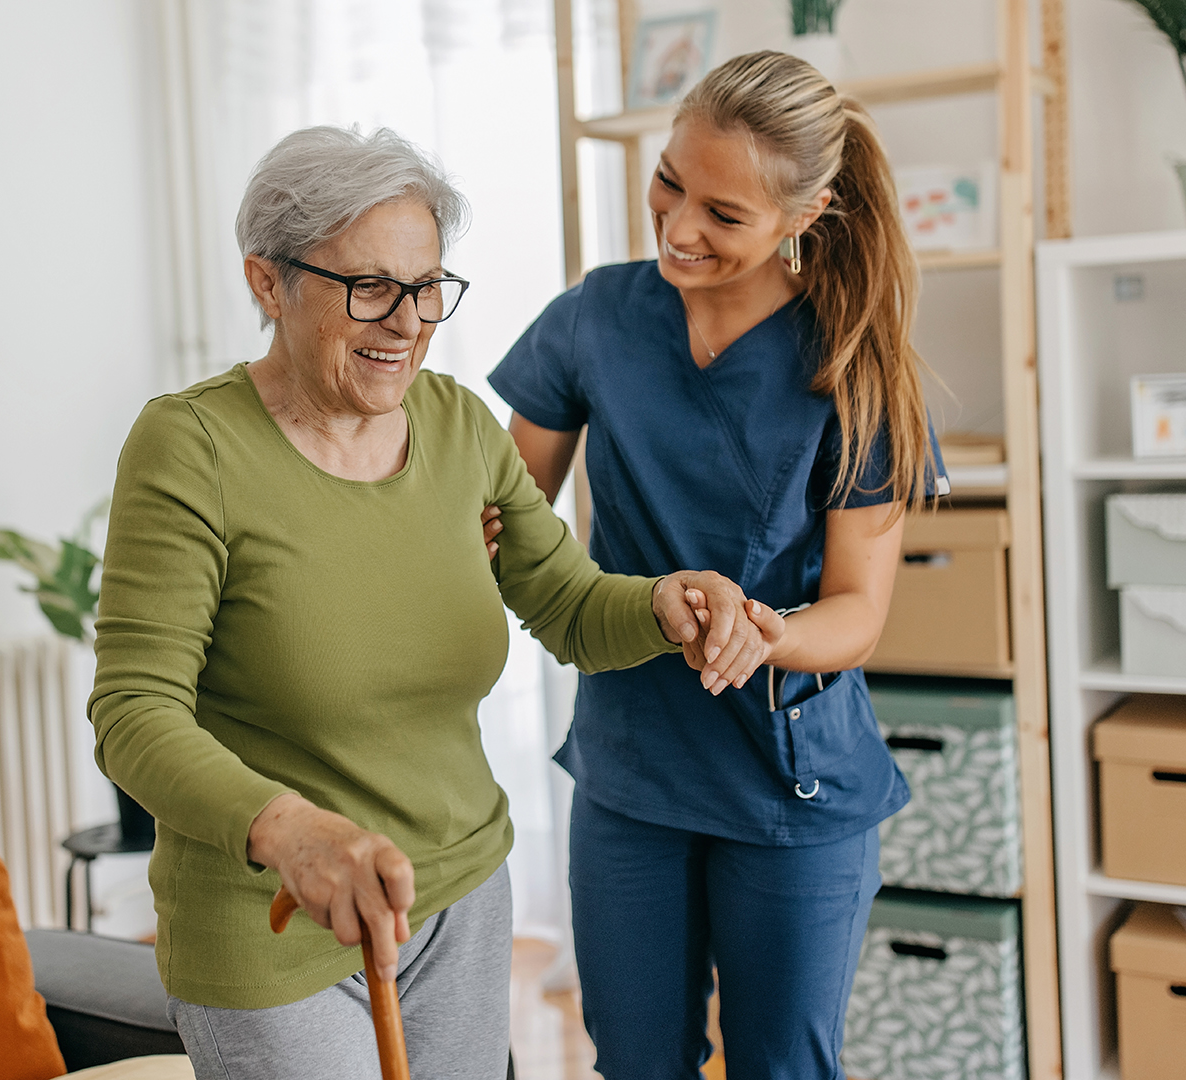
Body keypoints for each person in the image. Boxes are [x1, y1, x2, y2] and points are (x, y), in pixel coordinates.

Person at [88, 125, 773, 1080]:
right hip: (276, 913)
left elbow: (568, 606)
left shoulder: (456, 426)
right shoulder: (191, 447)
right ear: (265, 282)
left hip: (458, 896)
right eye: (369, 287)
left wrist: (666, 602)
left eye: (426, 289)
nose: (407, 322)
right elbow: (133, 713)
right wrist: (291, 832)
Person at [485, 51, 945, 1080]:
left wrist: (771, 631)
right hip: (632, 774)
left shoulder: (854, 362)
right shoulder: (595, 320)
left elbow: (857, 611)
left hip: (792, 786)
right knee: (636, 1065)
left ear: (807, 214)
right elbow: (504, 519)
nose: (679, 227)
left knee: (784, 1069)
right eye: (669, 182)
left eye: (724, 215)